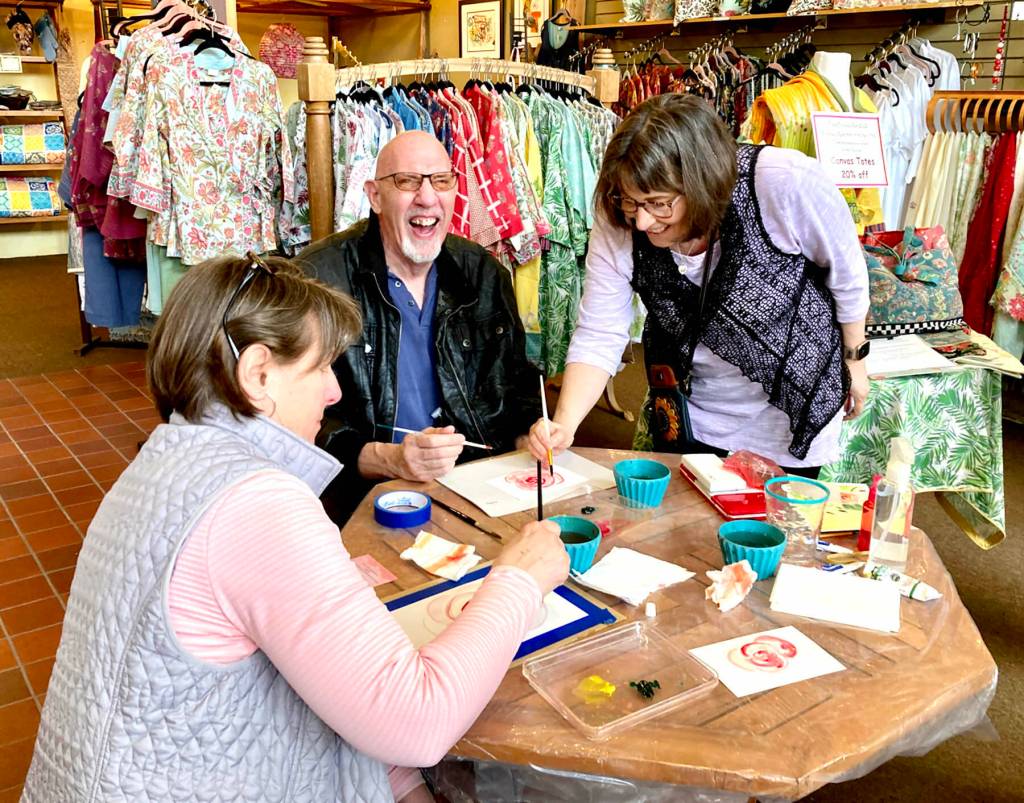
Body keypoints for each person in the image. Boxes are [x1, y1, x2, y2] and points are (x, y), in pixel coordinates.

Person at [22, 255, 569, 803]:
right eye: (321, 367)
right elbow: (419, 722)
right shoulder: (255, 501)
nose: (334, 392)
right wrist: (518, 579)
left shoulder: (163, 462)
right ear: (257, 374)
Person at [528, 94, 870, 477]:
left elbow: (848, 276)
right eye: (631, 202)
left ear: (701, 183)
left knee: (774, 514)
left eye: (659, 203)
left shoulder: (784, 183)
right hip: (692, 410)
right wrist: (565, 423)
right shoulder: (619, 212)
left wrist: (855, 360)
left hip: (790, 407)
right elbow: (600, 330)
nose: (642, 222)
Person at [299, 130, 540, 522]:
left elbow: (517, 390)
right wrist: (390, 458)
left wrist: (532, 432)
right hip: (365, 500)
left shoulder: (483, 273)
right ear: (375, 196)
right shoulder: (318, 278)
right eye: (407, 181)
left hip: (478, 489)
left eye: (441, 181)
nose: (427, 198)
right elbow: (292, 422)